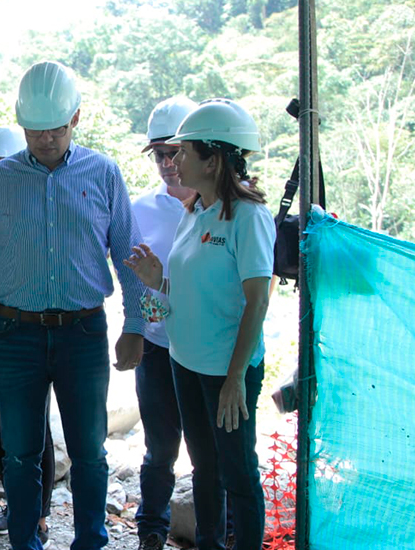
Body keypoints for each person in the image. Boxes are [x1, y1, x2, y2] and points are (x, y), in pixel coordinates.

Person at [0, 61, 147, 550]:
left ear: (76, 119)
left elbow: (129, 256)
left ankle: (89, 542)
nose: (45, 140)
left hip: (81, 334)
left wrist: (136, 324)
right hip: (13, 334)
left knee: (88, 452)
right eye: (35, 131)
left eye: (56, 129)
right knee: (19, 453)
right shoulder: (1, 180)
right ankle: (25, 541)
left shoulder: (103, 173)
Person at [125, 98, 273, 550]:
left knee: (238, 472)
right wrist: (158, 281)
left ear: (213, 159)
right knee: (204, 468)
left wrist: (234, 381)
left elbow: (257, 301)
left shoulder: (248, 217)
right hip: (184, 363)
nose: (173, 161)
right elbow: (195, 288)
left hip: (224, 372)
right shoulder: (195, 211)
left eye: (184, 152)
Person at [0, 127, 55, 548]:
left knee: (33, 422)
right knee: (0, 421)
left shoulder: (28, 205)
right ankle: (14, 502)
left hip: (20, 324)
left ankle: (37, 513)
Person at [130, 96, 197, 550]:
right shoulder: (140, 209)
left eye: (176, 152)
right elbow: (132, 278)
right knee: (159, 449)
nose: (169, 164)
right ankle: (151, 531)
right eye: (160, 155)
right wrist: (136, 325)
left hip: (207, 349)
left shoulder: (223, 209)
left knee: (211, 450)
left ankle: (223, 532)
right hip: (156, 347)